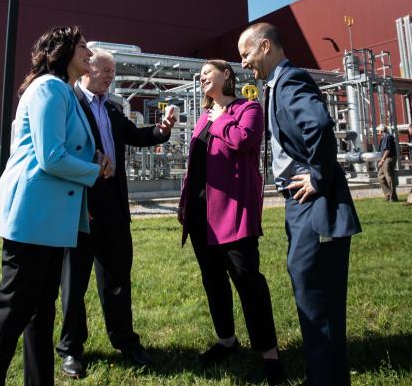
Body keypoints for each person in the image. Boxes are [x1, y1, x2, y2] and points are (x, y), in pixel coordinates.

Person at [0, 26, 114, 386]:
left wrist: (92, 157)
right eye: (82, 45)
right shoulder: (49, 88)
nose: (88, 51)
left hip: (50, 222)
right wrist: (94, 171)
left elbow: (67, 148)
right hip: (32, 218)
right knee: (14, 309)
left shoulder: (63, 90)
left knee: (40, 311)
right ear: (63, 51)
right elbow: (50, 157)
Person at [237, 23, 362, 386]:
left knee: (314, 292)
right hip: (302, 204)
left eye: (246, 54)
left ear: (265, 46)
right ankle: (328, 376)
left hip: (313, 203)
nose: (244, 63)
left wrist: (319, 176)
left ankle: (324, 379)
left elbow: (319, 125)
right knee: (314, 291)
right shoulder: (278, 84)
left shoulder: (289, 80)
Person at [57, 48, 177, 378]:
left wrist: (162, 129)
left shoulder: (112, 108)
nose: (111, 75)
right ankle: (71, 348)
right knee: (74, 282)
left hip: (114, 206)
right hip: (82, 206)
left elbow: (136, 136)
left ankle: (124, 339)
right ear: (85, 69)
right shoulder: (69, 103)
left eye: (114, 70)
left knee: (118, 279)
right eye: (105, 69)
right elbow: (61, 150)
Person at [178, 60, 283, 385]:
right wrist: (184, 203)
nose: (201, 78)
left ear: (227, 76)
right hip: (200, 217)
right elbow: (194, 163)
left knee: (248, 282)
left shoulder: (247, 108)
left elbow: (243, 140)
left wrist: (221, 119)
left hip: (233, 215)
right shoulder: (202, 118)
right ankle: (227, 340)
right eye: (199, 76)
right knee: (213, 281)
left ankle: (270, 354)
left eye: (207, 73)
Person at [375, 125, 399, 202]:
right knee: (380, 177)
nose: (377, 132)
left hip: (388, 159)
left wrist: (382, 160)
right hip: (386, 159)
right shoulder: (385, 137)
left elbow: (387, 150)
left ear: (381, 130)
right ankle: (388, 195)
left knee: (389, 177)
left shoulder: (387, 137)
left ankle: (393, 197)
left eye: (378, 130)